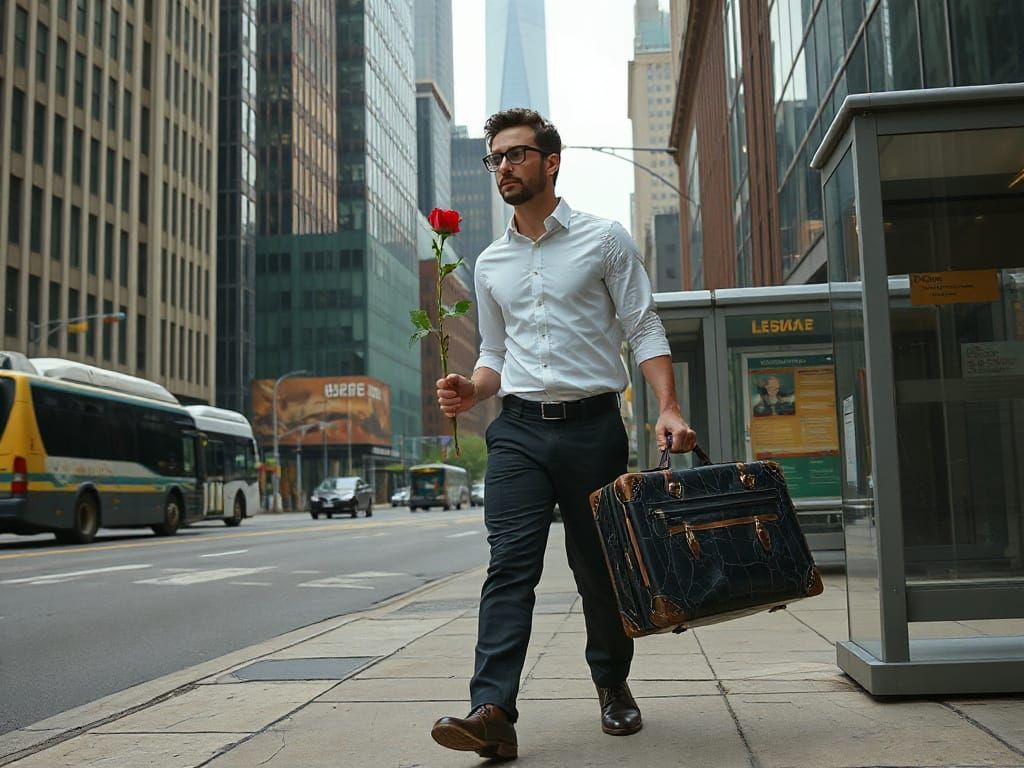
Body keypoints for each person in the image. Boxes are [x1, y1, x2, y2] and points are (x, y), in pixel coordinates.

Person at [430, 108, 697, 760]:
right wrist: (473, 389)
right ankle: (493, 709)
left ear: (551, 162)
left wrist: (667, 407)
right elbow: (494, 353)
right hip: (518, 430)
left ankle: (612, 685)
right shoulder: (489, 263)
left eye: (516, 154)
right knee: (509, 566)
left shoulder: (605, 240)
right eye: (495, 158)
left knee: (598, 568)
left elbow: (643, 326)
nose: (503, 167)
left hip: (593, 428)